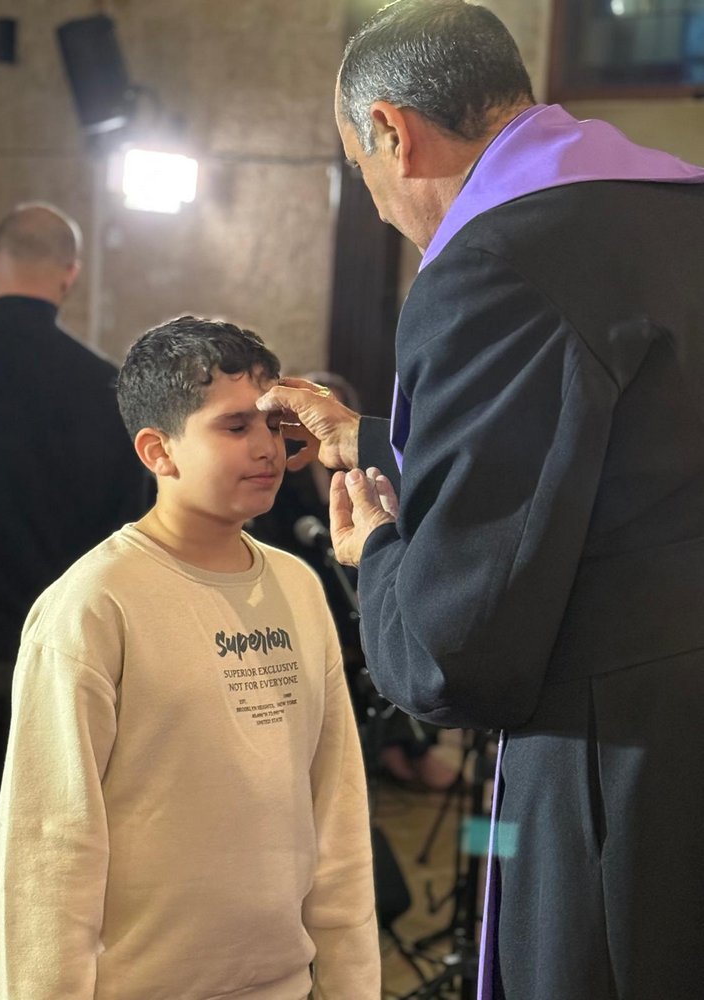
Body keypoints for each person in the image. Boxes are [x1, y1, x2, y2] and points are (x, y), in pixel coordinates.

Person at [256, 2, 704, 998]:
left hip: (626, 764)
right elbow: (621, 446)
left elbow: (456, 650)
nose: (380, 205)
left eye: (361, 169)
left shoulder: (494, 264)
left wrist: (379, 551)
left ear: (392, 131)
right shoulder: (669, 207)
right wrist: (374, 439)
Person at [0, 317, 380, 1000]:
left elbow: (337, 809)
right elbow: (49, 847)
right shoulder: (94, 603)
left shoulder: (297, 585)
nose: (267, 447)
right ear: (158, 451)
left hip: (283, 983)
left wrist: (352, 984)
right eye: (235, 426)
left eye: (273, 424)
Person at [0, 202, 149, 1000]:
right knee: (55, 838)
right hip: (63, 655)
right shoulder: (109, 390)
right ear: (71, 276)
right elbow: (125, 540)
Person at [251, 370, 457, 791]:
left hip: (355, 579)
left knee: (397, 622)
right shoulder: (285, 478)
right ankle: (396, 748)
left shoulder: (367, 469)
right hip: (315, 589)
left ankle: (409, 746)